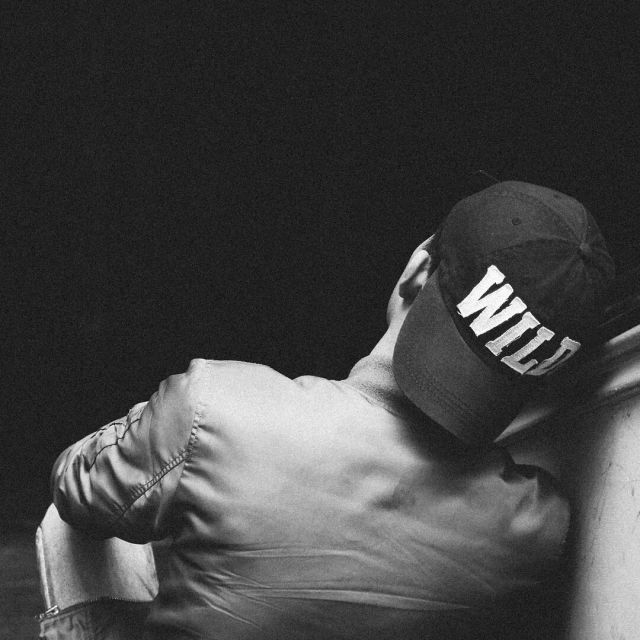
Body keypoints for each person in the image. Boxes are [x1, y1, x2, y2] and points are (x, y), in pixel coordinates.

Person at [50, 181, 614, 639]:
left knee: (73, 524)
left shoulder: (215, 407)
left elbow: (75, 487)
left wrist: (166, 446)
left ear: (417, 271)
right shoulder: (538, 529)